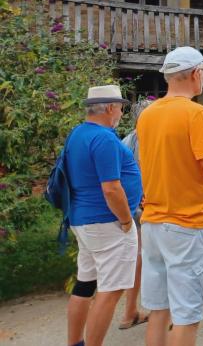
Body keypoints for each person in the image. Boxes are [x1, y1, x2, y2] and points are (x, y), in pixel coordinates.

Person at [136, 46, 203, 346]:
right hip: (187, 225)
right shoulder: (196, 114)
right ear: (195, 73)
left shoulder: (147, 115)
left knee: (159, 311)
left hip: (153, 223)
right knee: (187, 316)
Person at [65, 85, 142, 346]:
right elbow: (111, 188)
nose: (121, 111)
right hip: (107, 223)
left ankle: (75, 342)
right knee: (111, 290)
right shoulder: (105, 138)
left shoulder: (78, 133)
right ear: (110, 108)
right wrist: (125, 220)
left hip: (84, 221)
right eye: (120, 106)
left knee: (85, 285)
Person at [118, 97, 154, 331]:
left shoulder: (125, 140)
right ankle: (149, 312)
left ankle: (130, 311)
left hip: (131, 206)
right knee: (147, 257)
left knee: (138, 257)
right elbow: (143, 170)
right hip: (146, 206)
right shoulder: (146, 139)